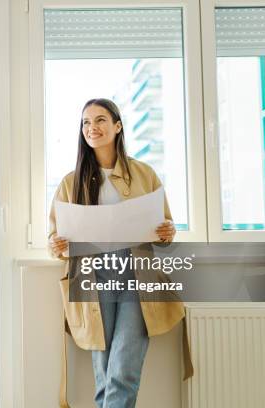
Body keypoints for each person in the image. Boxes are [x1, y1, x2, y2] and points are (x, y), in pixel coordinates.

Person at [48, 98, 191, 408]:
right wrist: (57, 245)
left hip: (136, 276)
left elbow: (164, 229)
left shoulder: (144, 173)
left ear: (117, 126)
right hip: (92, 278)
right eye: (86, 122)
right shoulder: (70, 182)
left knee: (123, 370)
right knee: (104, 372)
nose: (92, 127)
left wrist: (168, 232)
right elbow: (55, 239)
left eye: (100, 120)